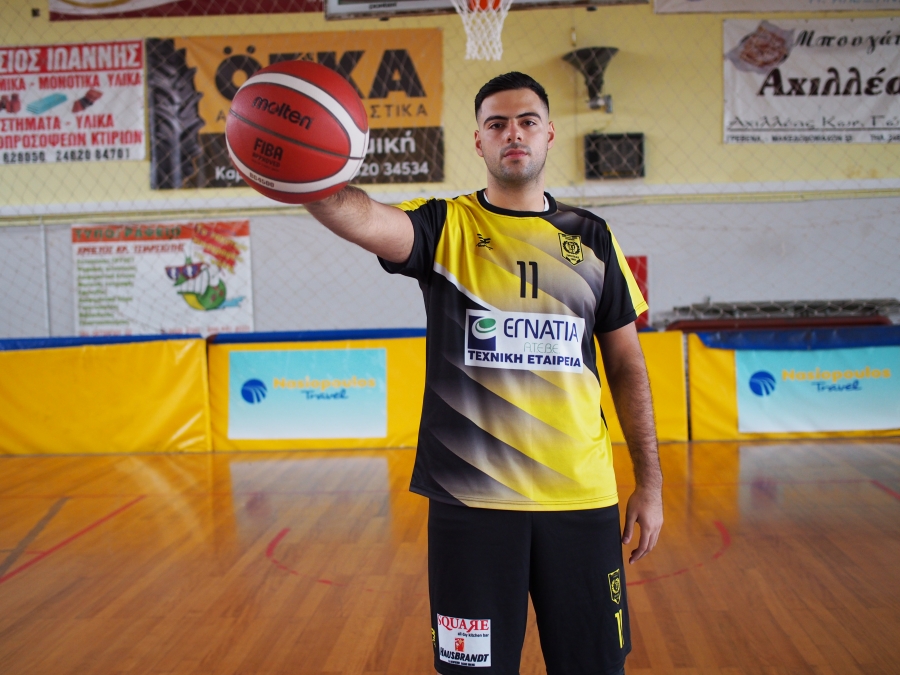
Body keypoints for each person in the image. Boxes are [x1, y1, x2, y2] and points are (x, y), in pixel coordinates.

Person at [307, 71, 663, 675]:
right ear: (478, 141)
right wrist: (308, 179)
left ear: (549, 133)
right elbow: (363, 217)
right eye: (496, 124)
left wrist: (649, 484)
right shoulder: (445, 226)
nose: (513, 133)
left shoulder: (593, 238)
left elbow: (628, 364)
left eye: (527, 121)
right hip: (471, 502)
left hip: (580, 499)